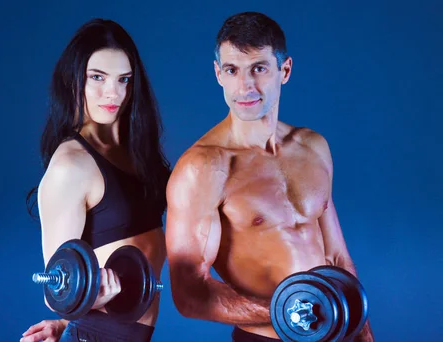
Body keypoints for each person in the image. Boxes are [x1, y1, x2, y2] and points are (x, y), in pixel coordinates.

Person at [165, 12, 374, 342]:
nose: (245, 86)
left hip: (338, 333)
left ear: (285, 70)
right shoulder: (203, 168)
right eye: (232, 71)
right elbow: (189, 294)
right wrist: (296, 311)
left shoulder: (313, 147)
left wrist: (361, 332)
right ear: (218, 74)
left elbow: (337, 260)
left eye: (258, 68)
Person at [20, 18, 171, 342]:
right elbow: (56, 287)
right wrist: (89, 299)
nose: (112, 92)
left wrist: (62, 326)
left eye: (123, 79)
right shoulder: (71, 166)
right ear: (74, 81)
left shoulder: (138, 154)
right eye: (97, 77)